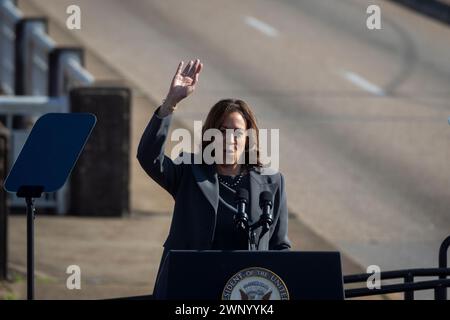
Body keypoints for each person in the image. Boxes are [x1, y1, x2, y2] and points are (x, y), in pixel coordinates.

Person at [137, 59, 291, 294]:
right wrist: (170, 103)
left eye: (237, 132)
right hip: (191, 286)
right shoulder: (189, 172)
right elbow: (149, 157)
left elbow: (279, 246)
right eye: (222, 131)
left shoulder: (272, 182)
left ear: (248, 137)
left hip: (247, 292)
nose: (230, 138)